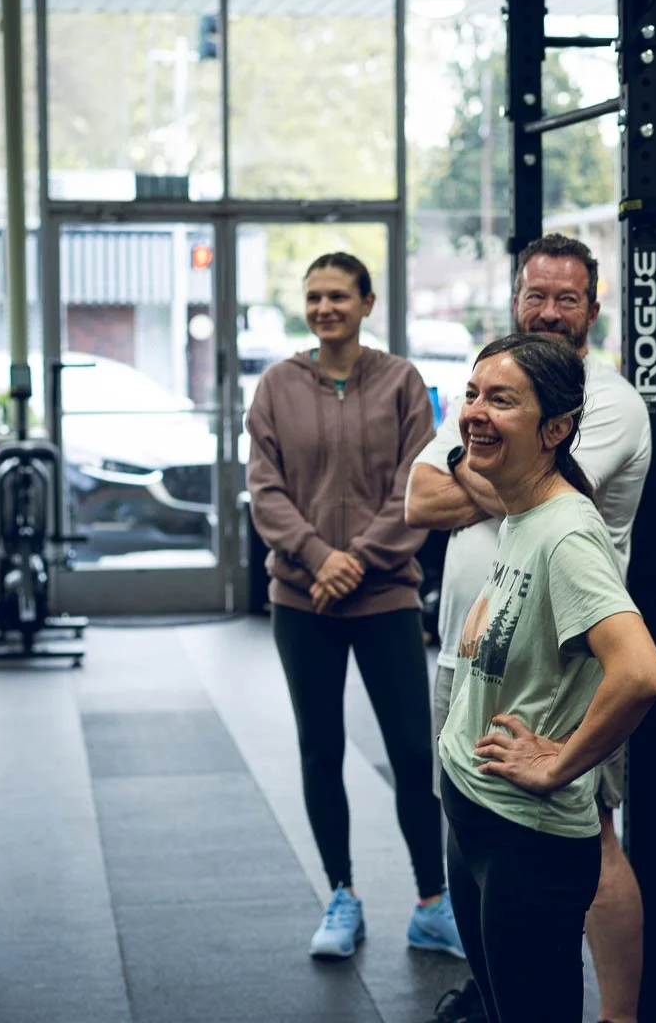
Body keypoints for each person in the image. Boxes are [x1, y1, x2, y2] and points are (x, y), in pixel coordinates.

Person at [406, 233, 651, 1023]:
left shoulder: (561, 526)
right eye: (471, 396)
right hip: (481, 795)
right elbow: (417, 499)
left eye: (499, 401)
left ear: (555, 429)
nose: (475, 416)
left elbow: (641, 673)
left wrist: (558, 765)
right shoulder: (520, 513)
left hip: (533, 811)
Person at [244, 253, 462, 960]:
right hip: (302, 598)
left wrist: (359, 558)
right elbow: (264, 487)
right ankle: (342, 895)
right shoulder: (277, 385)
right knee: (320, 748)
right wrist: (317, 556)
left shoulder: (401, 381)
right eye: (314, 296)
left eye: (339, 295)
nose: (325, 307)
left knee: (409, 749)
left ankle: (432, 903)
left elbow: (417, 483)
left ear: (368, 303)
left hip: (385, 595)